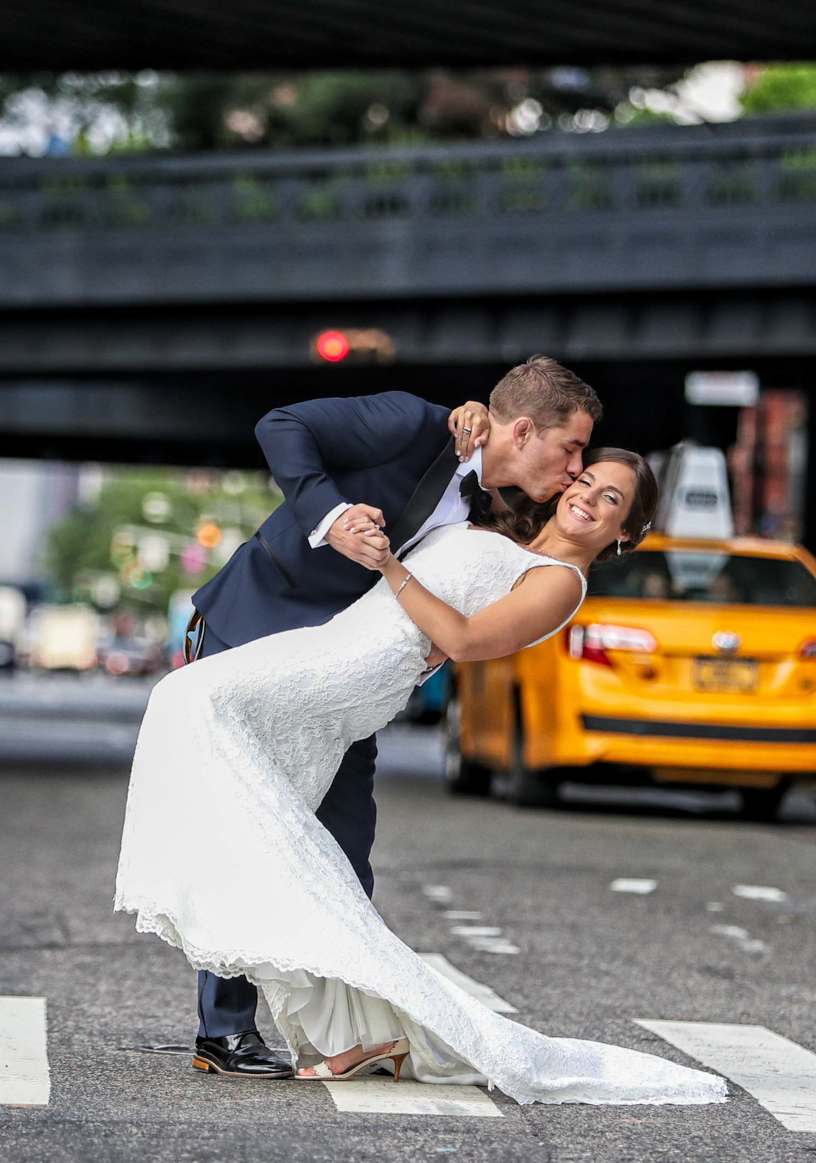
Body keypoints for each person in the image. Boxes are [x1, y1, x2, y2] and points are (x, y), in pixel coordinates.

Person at [115, 437, 729, 1105]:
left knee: (189, 702)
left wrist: (391, 570)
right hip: (340, 643)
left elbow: (465, 639)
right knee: (267, 814)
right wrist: (468, 423)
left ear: (625, 531)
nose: (588, 496)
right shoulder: (505, 526)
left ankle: (276, 1008)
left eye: (611, 499)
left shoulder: (561, 581)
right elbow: (484, 455)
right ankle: (347, 1030)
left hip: (355, 664)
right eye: (587, 480)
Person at [163, 358, 594, 1081]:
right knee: (254, 824)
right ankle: (225, 1029)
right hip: (257, 627)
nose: (577, 464)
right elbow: (282, 424)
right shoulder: (412, 422)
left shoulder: (503, 503)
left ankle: (349, 1029)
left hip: (344, 673)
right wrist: (331, 519)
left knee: (345, 846)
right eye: (573, 446)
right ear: (524, 429)